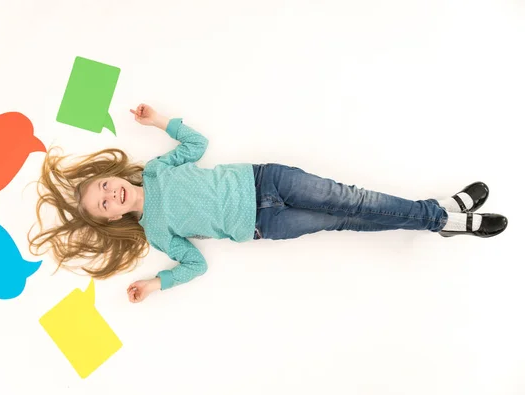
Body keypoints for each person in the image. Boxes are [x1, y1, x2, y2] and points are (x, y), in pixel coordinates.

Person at [28, 103, 508, 304]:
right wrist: (159, 283)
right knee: (346, 219)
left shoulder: (155, 169)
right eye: (105, 205)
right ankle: (442, 216)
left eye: (105, 187)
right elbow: (196, 264)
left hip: (267, 178)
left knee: (355, 199)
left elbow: (196, 144)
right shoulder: (155, 232)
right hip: (266, 224)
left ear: (112, 177)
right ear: (113, 218)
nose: (111, 195)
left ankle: (442, 217)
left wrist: (161, 122)